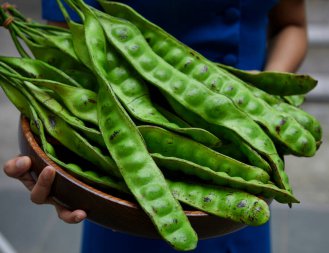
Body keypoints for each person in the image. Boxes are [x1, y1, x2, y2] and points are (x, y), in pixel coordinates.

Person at [3, 0, 308, 252]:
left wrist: (261, 104)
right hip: (126, 184)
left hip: (242, 166)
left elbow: (292, 25)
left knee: (242, 222)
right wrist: (60, 167)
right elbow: (63, 68)